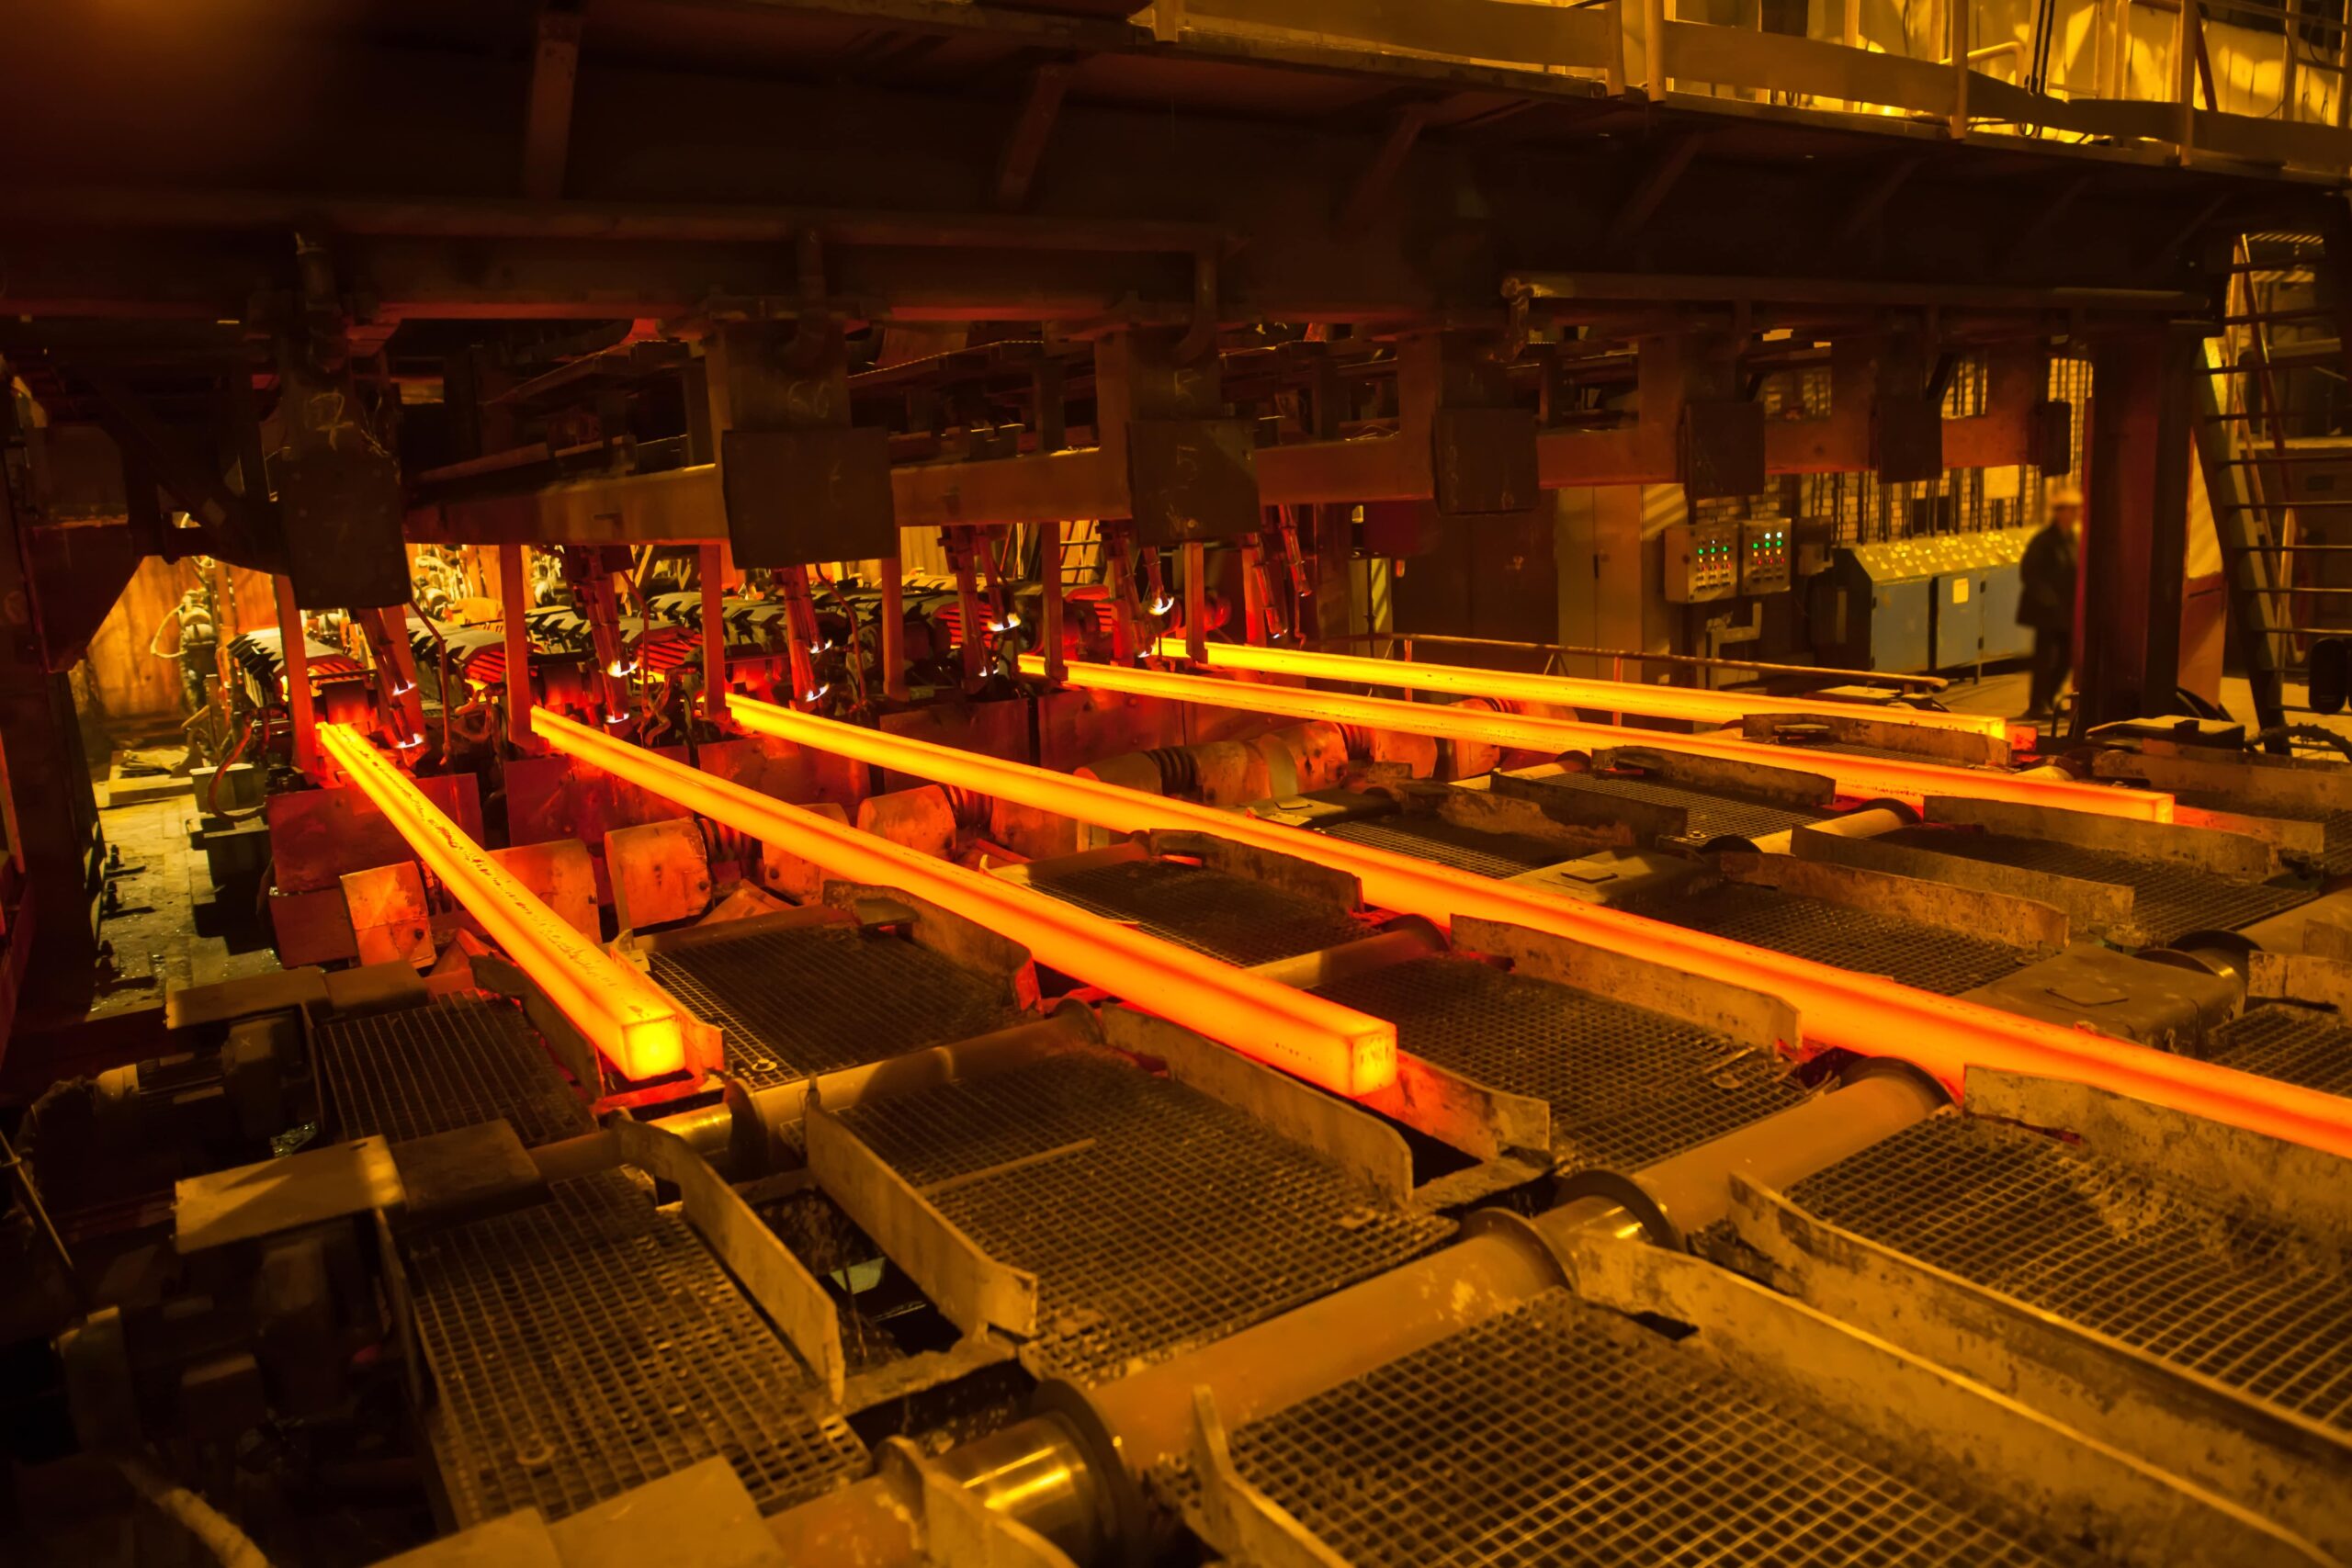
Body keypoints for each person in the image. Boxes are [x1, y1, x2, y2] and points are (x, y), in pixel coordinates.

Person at [2018, 484, 2081, 724]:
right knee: (2044, 659)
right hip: (2046, 612)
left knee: (2065, 658)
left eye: (2076, 509)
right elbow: (2030, 573)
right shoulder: (2044, 541)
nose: (2075, 514)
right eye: (2071, 510)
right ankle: (2038, 704)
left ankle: (2050, 697)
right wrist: (2048, 599)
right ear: (2060, 512)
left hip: (2066, 611)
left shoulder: (2072, 539)